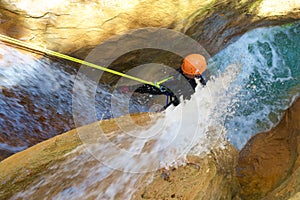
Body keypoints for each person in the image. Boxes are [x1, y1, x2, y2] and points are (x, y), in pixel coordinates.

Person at [117, 54, 208, 109]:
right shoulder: (186, 75)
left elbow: (157, 89)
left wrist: (131, 88)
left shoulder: (192, 85)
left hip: (184, 101)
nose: (182, 70)